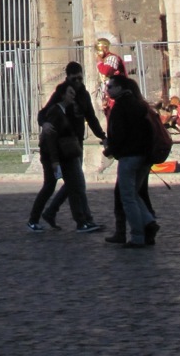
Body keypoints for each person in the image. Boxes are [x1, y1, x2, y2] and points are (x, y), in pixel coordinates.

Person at [37, 62, 105, 231]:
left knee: (74, 183)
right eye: (74, 79)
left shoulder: (84, 95)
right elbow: (44, 113)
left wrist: (102, 136)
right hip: (64, 145)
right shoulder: (62, 93)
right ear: (67, 78)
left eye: (80, 78)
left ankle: (52, 212)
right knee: (77, 184)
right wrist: (44, 123)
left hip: (77, 143)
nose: (78, 82)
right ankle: (83, 220)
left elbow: (91, 117)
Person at [104, 75, 157, 248]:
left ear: (120, 88)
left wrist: (110, 148)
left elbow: (119, 135)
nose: (108, 90)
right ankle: (149, 222)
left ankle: (137, 236)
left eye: (110, 87)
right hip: (144, 156)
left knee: (127, 197)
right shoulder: (139, 104)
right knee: (133, 194)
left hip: (129, 156)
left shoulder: (121, 107)